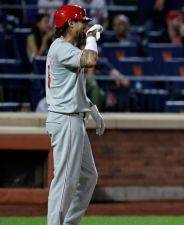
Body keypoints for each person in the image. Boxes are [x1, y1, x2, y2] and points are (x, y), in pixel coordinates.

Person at [45, 5, 105, 225]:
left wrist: (91, 108)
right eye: (81, 22)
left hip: (73, 116)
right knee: (65, 181)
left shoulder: (66, 48)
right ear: (70, 23)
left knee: (88, 177)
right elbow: (90, 60)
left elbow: (70, 88)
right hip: (65, 119)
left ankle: (69, 223)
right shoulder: (60, 48)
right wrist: (91, 38)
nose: (85, 25)